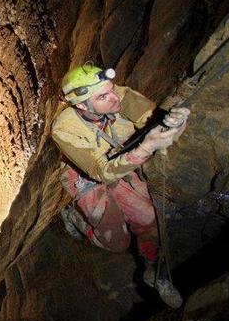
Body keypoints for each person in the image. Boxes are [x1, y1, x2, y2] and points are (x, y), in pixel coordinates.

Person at [52, 64, 190, 308]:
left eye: (111, 89)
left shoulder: (121, 97)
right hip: (86, 177)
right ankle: (75, 218)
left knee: (149, 219)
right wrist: (146, 147)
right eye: (103, 97)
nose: (114, 98)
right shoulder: (64, 129)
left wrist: (175, 123)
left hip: (123, 163)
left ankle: (154, 271)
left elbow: (157, 123)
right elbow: (101, 172)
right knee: (117, 242)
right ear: (82, 105)